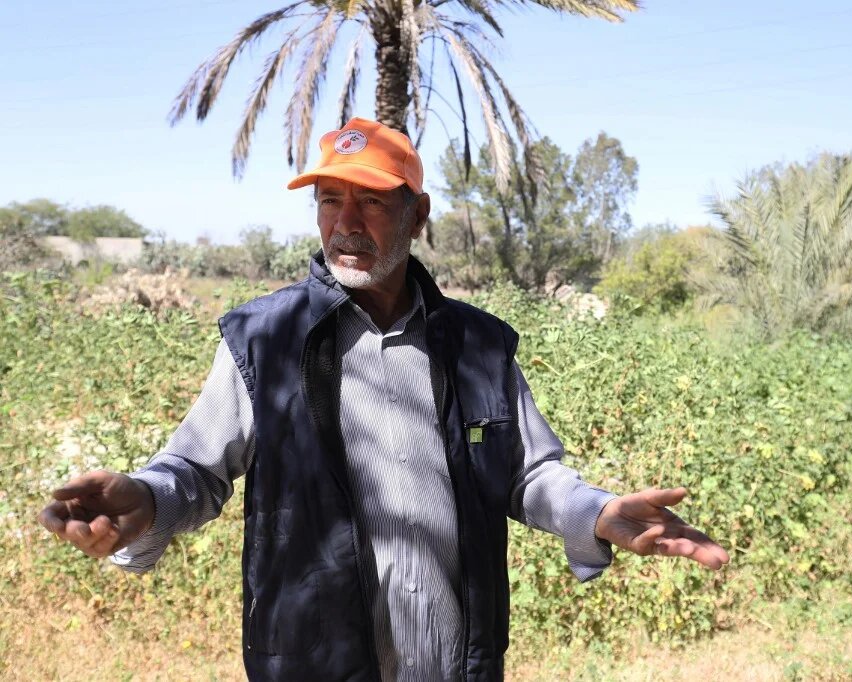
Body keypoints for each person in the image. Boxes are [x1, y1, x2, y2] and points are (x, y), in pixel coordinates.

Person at [38, 118, 729, 681]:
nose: (347, 223)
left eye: (370, 200)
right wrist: (146, 498)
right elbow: (196, 470)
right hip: (314, 664)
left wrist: (600, 511)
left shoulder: (478, 345)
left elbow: (527, 473)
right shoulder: (266, 339)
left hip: (455, 664)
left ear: (417, 213)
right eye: (330, 200)